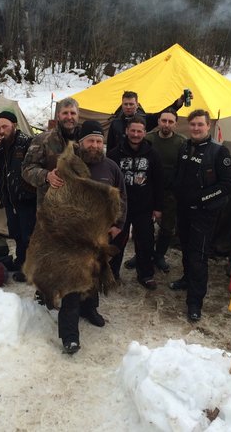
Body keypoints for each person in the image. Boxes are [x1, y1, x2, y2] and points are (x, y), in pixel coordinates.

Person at [54, 120, 127, 354]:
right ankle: (69, 334)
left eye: (99, 141)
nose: (95, 145)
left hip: (101, 236)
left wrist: (118, 225)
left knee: (95, 275)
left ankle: (90, 309)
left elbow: (122, 199)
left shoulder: (111, 168)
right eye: (91, 141)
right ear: (81, 142)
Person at [170, 109, 231, 322]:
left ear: (209, 126)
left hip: (205, 213)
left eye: (200, 124)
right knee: (186, 249)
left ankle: (195, 302)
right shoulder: (185, 146)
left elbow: (228, 184)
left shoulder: (219, 152)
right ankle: (187, 279)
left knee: (199, 256)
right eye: (193, 125)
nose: (196, 128)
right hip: (183, 210)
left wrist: (202, 199)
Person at [0, 110, 36, 282]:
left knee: (28, 235)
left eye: (5, 126)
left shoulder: (26, 143)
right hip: (9, 199)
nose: (1, 131)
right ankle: (20, 261)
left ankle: (29, 268)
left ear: (14, 126)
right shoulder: (1, 145)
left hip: (26, 198)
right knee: (16, 232)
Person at [107, 116, 163, 289]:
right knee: (116, 242)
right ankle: (111, 274)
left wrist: (158, 207)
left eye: (139, 131)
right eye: (133, 130)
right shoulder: (114, 154)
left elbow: (159, 182)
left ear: (145, 133)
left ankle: (145, 274)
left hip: (144, 207)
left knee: (145, 242)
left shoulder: (153, 154)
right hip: (120, 208)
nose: (136, 134)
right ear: (126, 131)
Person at [144, 108, 187, 272]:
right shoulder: (148, 139)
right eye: (164, 121)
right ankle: (142, 253)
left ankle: (159, 255)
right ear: (158, 122)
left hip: (170, 192)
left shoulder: (182, 142)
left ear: (175, 124)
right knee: (144, 225)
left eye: (170, 121)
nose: (166, 124)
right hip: (148, 190)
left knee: (167, 227)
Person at [21, 97, 81, 206]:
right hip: (50, 208)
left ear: (78, 116)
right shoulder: (42, 140)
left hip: (78, 207)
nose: (69, 117)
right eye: (65, 113)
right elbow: (27, 169)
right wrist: (47, 176)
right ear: (58, 115)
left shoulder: (85, 140)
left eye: (73, 113)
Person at [105, 90, 187, 152]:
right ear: (122, 105)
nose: (128, 107)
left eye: (131, 104)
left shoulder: (145, 119)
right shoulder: (115, 123)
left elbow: (163, 114)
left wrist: (179, 102)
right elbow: (110, 147)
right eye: (125, 104)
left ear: (137, 105)